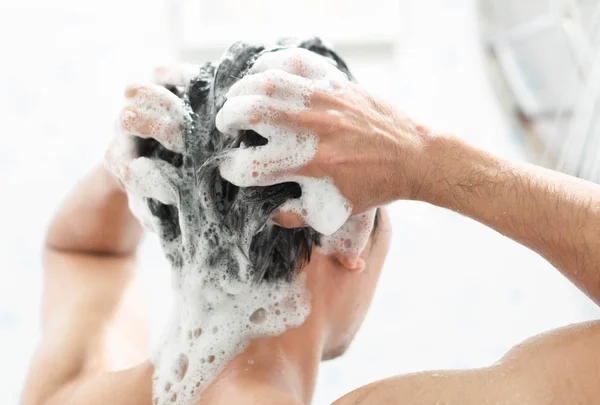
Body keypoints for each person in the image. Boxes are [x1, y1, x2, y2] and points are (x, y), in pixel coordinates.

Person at [22, 45, 600, 405]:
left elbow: (83, 252)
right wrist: (423, 160)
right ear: (347, 238)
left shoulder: (70, 391)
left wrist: (129, 162)